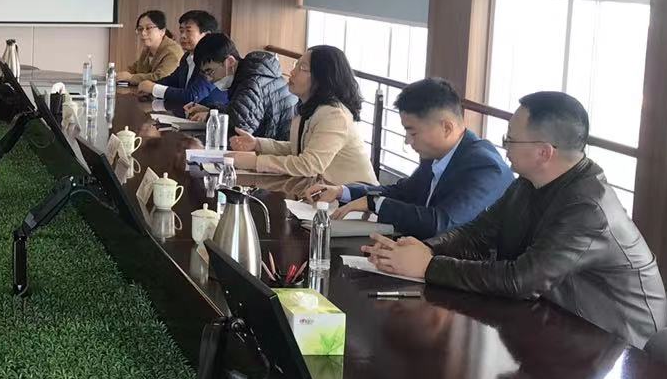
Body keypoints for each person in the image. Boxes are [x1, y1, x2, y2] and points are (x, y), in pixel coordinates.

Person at [364, 91, 667, 348]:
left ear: (544, 152)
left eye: (510, 139)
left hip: (618, 344)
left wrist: (429, 266)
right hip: (558, 323)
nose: (504, 147)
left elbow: (523, 279)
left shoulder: (588, 208)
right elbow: (477, 234)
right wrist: (423, 249)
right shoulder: (528, 183)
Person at [303, 76, 512, 238]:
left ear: (447, 127)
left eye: (412, 132)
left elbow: (441, 223)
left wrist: (375, 203)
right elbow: (402, 192)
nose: (407, 141)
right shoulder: (438, 155)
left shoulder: (485, 168)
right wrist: (342, 191)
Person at [229, 44, 375, 183]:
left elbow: (309, 165)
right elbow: (298, 148)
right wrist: (257, 144)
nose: (292, 72)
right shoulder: (311, 107)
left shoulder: (334, 115)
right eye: (296, 65)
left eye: (302, 68)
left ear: (323, 77)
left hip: (354, 196)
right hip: (322, 190)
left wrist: (255, 161)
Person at [182, 33, 295, 140]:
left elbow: (241, 128)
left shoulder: (252, 82)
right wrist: (210, 110)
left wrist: (209, 117)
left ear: (230, 62)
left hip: (279, 148)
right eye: (204, 73)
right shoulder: (248, 73)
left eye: (210, 71)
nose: (209, 79)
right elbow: (240, 112)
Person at [137, 9, 226, 111]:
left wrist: (154, 88)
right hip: (188, 114)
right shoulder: (187, 57)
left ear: (207, 35)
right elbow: (172, 80)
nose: (183, 36)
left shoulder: (214, 61)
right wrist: (150, 87)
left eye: (188, 31)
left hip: (212, 117)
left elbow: (193, 95)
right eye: (181, 31)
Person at [119, 9, 183, 86]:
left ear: (162, 31)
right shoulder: (148, 49)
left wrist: (131, 78)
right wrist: (118, 76)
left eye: (148, 28)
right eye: (140, 29)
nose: (143, 33)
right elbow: (134, 69)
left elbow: (162, 77)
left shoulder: (172, 51)